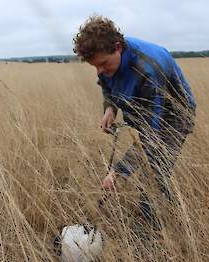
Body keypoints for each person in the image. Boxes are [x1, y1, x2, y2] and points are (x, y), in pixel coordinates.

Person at [73, 15, 196, 230]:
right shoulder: (108, 59)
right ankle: (168, 208)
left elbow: (152, 137)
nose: (100, 71)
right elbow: (107, 85)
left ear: (118, 47)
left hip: (173, 117)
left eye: (103, 64)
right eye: (95, 67)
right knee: (154, 169)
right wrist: (110, 108)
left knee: (154, 170)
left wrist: (118, 172)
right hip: (146, 113)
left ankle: (149, 232)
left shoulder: (147, 70)